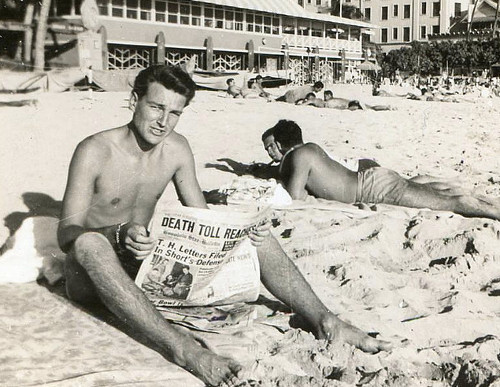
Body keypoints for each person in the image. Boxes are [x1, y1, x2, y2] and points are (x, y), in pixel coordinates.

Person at [58, 65, 390, 387]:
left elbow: (204, 220)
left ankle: (326, 320)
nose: (163, 122)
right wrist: (117, 234)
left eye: (174, 113)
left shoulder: (176, 149)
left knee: (258, 236)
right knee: (90, 245)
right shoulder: (95, 150)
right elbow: (67, 234)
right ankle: (186, 352)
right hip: (95, 272)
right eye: (156, 107)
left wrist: (242, 231)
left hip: (145, 266)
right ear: (134, 100)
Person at [266, 119, 500, 220]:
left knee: (450, 203)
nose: (269, 154)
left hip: (372, 190)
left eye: (269, 148)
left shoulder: (298, 156)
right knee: (435, 194)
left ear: (279, 144)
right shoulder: (309, 149)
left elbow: (295, 198)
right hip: (372, 180)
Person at [323, 90, 394, 111]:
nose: (324, 97)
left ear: (329, 95)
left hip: (352, 104)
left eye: (325, 96)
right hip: (354, 101)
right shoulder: (337, 98)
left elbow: (340, 106)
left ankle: (387, 108)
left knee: (371, 109)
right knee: (372, 108)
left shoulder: (331, 101)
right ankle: (386, 107)